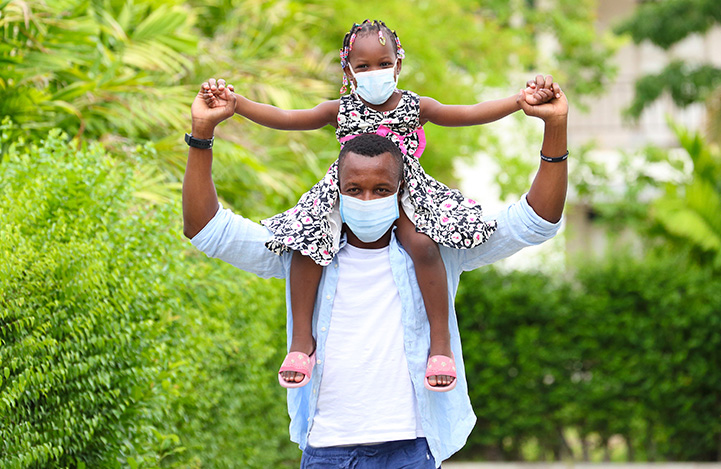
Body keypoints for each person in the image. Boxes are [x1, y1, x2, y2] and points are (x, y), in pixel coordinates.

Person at [182, 72, 568, 467]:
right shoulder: (304, 250)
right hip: (326, 450)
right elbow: (207, 229)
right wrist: (201, 133)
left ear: (401, 190)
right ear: (337, 190)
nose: (367, 199)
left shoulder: (438, 247)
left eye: (381, 190)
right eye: (355, 190)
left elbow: (535, 220)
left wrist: (554, 128)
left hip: (411, 449)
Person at [202, 19, 558, 391]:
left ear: (398, 64)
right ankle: (301, 343)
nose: (375, 72)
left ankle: (440, 344)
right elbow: (289, 119)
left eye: (383, 64)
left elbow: (468, 113)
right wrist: (237, 104)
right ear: (349, 71)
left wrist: (519, 103)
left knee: (423, 244)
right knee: (307, 244)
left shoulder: (416, 106)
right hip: (349, 189)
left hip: (403, 189)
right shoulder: (339, 108)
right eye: (364, 67)